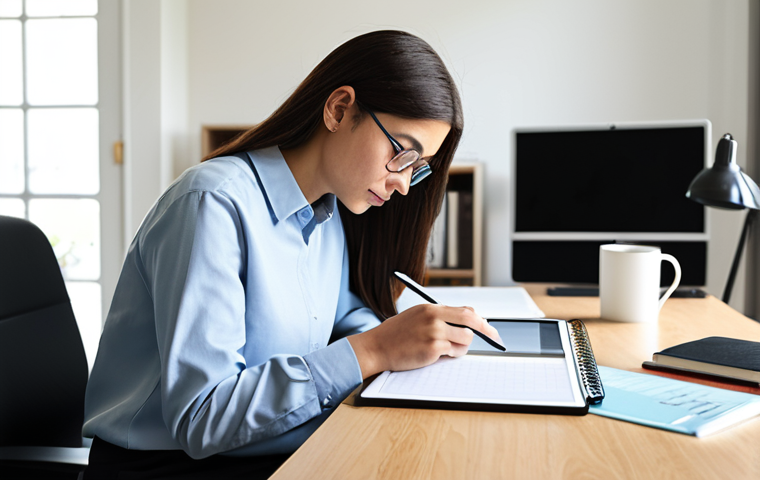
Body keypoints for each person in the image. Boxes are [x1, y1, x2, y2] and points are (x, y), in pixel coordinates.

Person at [82, 30, 500, 479]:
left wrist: (394, 338)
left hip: (275, 449)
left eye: (417, 168)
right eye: (402, 153)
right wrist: (374, 349)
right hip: (168, 468)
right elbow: (203, 418)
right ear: (340, 110)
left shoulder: (328, 212)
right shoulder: (210, 205)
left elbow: (345, 312)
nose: (402, 183)